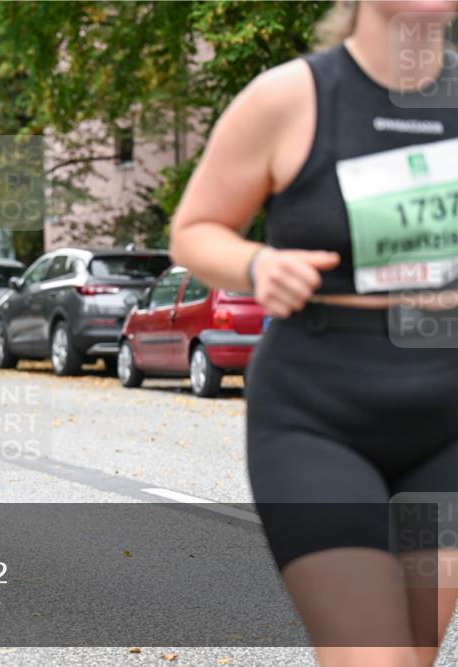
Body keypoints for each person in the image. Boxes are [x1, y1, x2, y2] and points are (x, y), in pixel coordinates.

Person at [169, 2, 457, 666]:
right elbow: (195, 229)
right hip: (320, 417)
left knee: (412, 654)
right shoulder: (288, 97)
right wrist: (258, 263)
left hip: (447, 431)